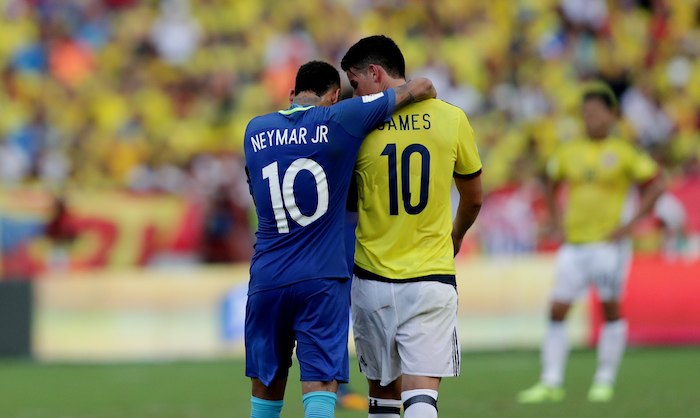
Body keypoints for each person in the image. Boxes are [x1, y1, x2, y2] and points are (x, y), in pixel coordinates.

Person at [243, 60, 436, 418]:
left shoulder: (255, 130)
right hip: (321, 277)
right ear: (334, 96)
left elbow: (257, 193)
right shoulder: (338, 118)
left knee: (266, 389)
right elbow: (420, 87)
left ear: (291, 94)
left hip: (267, 276)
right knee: (320, 385)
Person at [340, 35, 483, 418]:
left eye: (355, 85)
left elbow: (349, 204)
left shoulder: (358, 128)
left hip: (372, 277)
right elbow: (474, 198)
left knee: (383, 397)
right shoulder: (451, 118)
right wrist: (455, 236)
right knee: (421, 398)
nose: (354, 96)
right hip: (430, 277)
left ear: (375, 73)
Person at [517, 82, 665, 403]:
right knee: (557, 309)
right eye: (586, 113)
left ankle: (604, 379)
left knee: (611, 308)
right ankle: (551, 381)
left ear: (612, 114)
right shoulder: (569, 151)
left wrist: (630, 225)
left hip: (609, 246)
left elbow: (656, 183)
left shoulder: (625, 152)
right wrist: (555, 222)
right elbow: (549, 182)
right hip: (574, 244)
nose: (590, 119)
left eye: (596, 113)